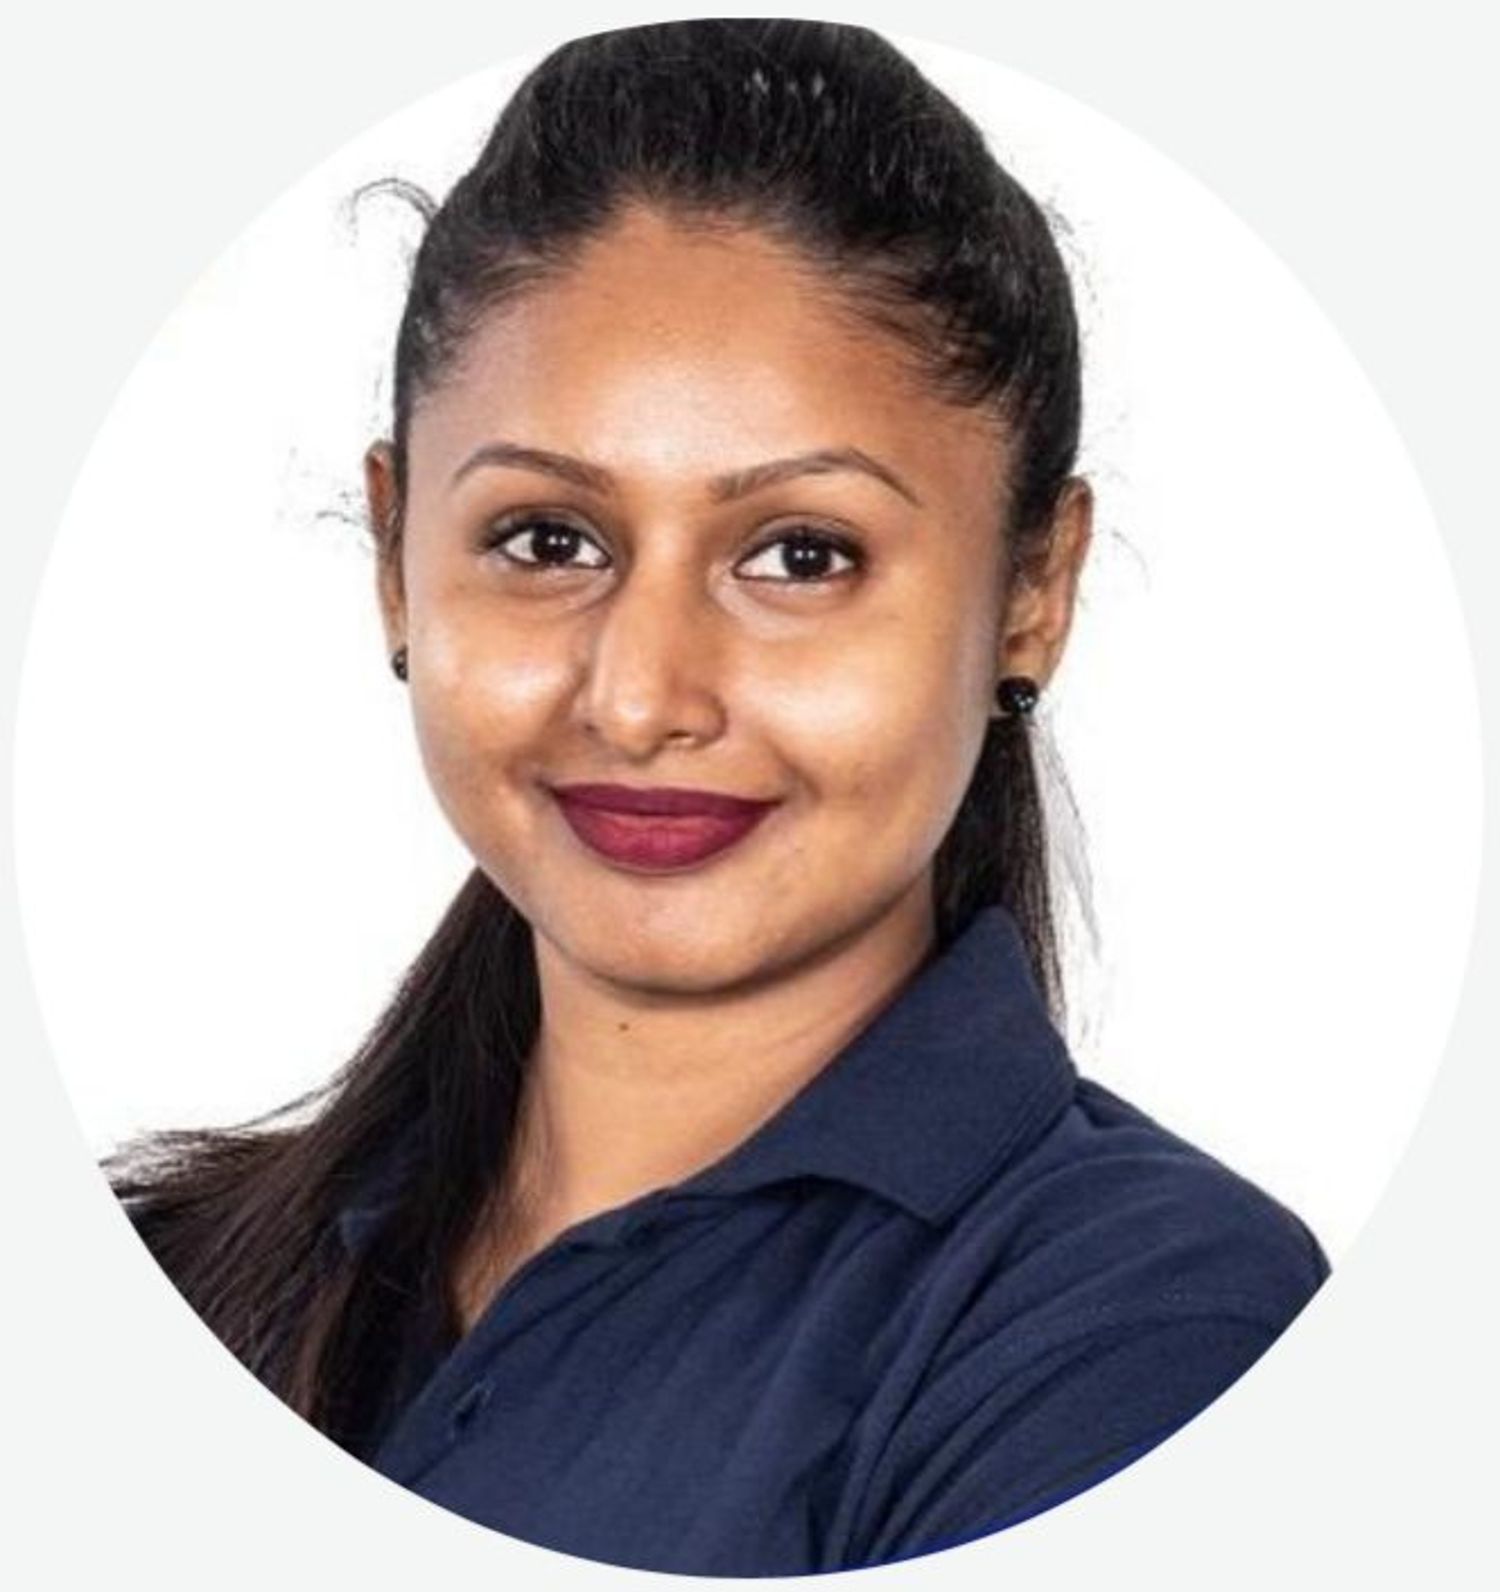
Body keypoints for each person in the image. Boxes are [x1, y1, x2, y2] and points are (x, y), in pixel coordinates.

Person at [107, 18, 1329, 1575]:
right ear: (397, 558)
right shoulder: (159, 1272)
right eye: (547, 540)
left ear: (1033, 593)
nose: (640, 697)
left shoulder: (1149, 1332)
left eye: (801, 556)